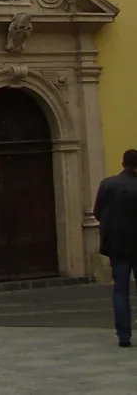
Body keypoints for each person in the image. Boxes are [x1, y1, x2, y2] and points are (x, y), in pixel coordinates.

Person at [93, 148, 137, 348]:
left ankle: (124, 335)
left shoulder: (107, 185)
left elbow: (97, 212)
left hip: (117, 245)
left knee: (120, 290)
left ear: (123, 163)